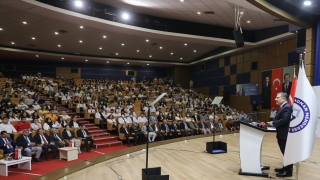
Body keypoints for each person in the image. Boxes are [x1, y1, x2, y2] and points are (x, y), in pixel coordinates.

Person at [267, 92, 293, 177]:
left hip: (285, 134)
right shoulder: (284, 107)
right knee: (285, 152)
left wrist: (273, 123)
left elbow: (285, 120)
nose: (275, 99)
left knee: (286, 152)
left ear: (284, 99)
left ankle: (288, 171)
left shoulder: (287, 107)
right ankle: (285, 167)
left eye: (277, 97)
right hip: (282, 134)